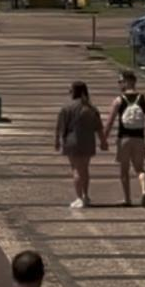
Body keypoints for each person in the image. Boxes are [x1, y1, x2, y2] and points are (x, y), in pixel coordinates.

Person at [103, 70, 145, 208]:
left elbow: (109, 122)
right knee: (140, 169)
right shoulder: (144, 99)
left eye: (120, 81)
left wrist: (103, 138)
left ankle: (127, 199)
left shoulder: (118, 100)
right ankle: (144, 191)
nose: (119, 84)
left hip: (124, 139)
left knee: (124, 170)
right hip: (139, 138)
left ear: (128, 81)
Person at [55, 82, 107, 210]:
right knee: (85, 169)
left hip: (72, 142)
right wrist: (103, 141)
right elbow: (99, 128)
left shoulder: (67, 108)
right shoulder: (91, 108)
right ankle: (85, 195)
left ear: (73, 92)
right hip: (88, 142)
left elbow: (60, 127)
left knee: (76, 170)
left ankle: (79, 198)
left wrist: (57, 141)